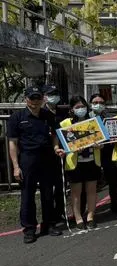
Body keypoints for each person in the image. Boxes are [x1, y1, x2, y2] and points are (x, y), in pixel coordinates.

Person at [8, 86, 64, 243]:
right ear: (26, 99)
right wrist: (16, 166)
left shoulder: (47, 115)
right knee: (27, 196)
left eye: (38, 98)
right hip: (27, 160)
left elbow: (54, 135)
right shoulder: (17, 117)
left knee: (47, 194)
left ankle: (49, 224)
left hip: (47, 159)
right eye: (32, 98)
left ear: (42, 99)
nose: (35, 101)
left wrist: (56, 148)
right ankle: (29, 229)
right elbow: (13, 143)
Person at [60, 96, 101, 229]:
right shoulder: (65, 123)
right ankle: (78, 218)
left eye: (82, 106)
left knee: (91, 190)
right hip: (75, 162)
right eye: (77, 107)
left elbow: (103, 142)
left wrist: (98, 145)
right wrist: (72, 148)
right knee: (75, 192)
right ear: (72, 109)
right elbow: (63, 144)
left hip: (92, 160)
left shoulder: (94, 121)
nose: (81, 109)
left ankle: (90, 216)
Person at [89, 93, 117, 213]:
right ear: (90, 104)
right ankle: (88, 209)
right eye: (95, 103)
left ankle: (115, 204)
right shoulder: (86, 118)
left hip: (107, 152)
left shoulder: (109, 117)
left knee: (112, 179)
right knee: (91, 182)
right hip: (90, 154)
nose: (98, 105)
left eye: (101, 103)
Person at [43, 84, 68, 223]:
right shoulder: (41, 113)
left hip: (63, 152)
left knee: (61, 184)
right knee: (47, 187)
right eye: (50, 94)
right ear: (45, 97)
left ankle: (60, 212)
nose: (54, 97)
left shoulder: (63, 112)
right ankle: (49, 215)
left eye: (55, 94)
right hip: (46, 153)